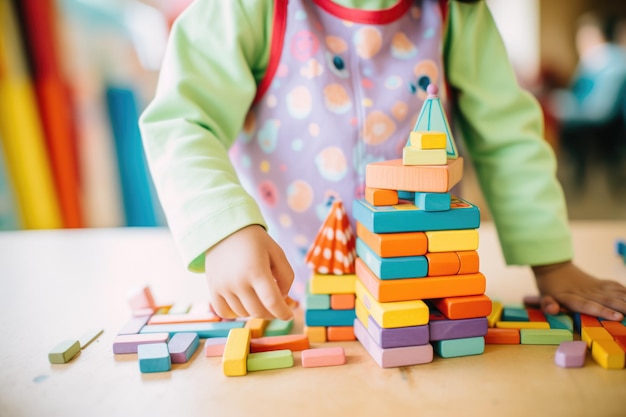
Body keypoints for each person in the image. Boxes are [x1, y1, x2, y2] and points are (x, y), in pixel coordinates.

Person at [139, 0, 626, 322]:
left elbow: (508, 137)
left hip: (419, 295)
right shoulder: (246, 8)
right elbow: (183, 120)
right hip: (287, 295)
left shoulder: (455, 12)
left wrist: (552, 262)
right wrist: (223, 230)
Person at [547, 11, 626, 188]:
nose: (580, 43)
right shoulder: (594, 61)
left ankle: (575, 175)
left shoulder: (610, 61)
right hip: (596, 117)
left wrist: (565, 107)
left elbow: (600, 109)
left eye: (585, 37)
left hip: (606, 123)